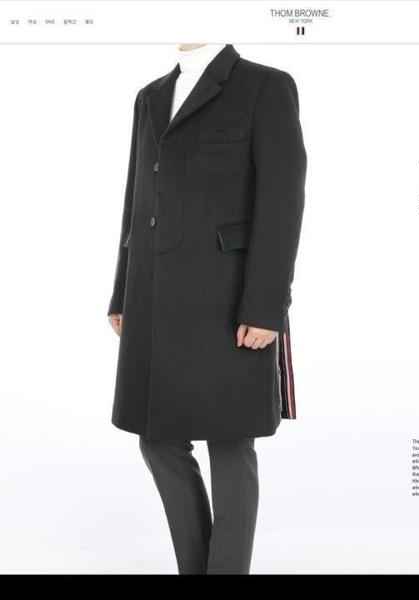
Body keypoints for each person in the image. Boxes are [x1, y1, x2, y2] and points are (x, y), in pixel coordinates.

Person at [107, 43, 306, 574]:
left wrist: (266, 306)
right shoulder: (150, 96)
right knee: (156, 438)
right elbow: (136, 198)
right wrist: (123, 290)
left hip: (230, 297)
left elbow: (283, 203)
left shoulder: (265, 86)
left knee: (230, 442)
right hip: (154, 295)